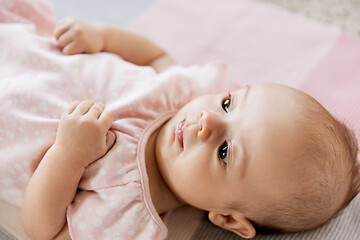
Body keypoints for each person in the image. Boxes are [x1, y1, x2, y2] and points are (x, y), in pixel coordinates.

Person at [1, 14, 358, 240]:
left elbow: (43, 229)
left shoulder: (127, 217)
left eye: (224, 152)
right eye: (229, 103)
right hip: (19, 47)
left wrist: (69, 155)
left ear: (229, 218)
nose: (209, 120)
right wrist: (101, 37)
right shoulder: (186, 93)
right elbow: (154, 56)